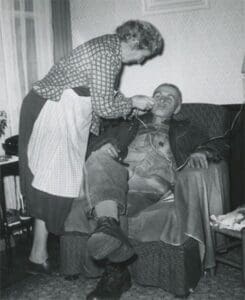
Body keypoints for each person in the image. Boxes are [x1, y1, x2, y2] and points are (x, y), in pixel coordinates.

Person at [18, 20, 163, 275]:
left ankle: (37, 255)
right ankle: (37, 254)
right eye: (144, 54)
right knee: (55, 183)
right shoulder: (108, 54)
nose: (141, 61)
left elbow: (103, 94)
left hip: (64, 112)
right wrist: (131, 102)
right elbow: (104, 107)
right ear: (134, 43)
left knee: (54, 183)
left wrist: (129, 104)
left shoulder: (108, 49)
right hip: (53, 111)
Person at [76, 82, 229, 299]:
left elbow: (222, 142)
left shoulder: (188, 128)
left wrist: (204, 151)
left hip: (152, 186)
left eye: (171, 97)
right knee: (99, 157)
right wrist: (106, 143)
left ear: (177, 108)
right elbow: (91, 144)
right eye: (158, 94)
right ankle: (108, 229)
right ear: (150, 101)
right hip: (119, 181)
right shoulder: (129, 124)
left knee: (112, 200)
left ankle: (114, 273)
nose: (163, 98)